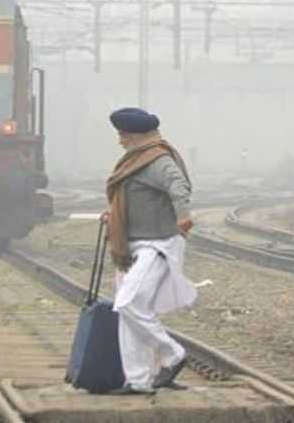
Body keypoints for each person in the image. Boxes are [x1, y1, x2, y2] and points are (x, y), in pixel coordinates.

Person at [103, 107, 198, 395]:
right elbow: (133, 198)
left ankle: (173, 355)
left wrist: (183, 214)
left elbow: (178, 185)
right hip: (131, 245)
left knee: (129, 303)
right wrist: (113, 216)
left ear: (134, 135)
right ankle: (138, 381)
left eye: (122, 135)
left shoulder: (157, 160)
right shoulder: (135, 160)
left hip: (156, 245)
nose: (120, 140)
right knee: (131, 311)